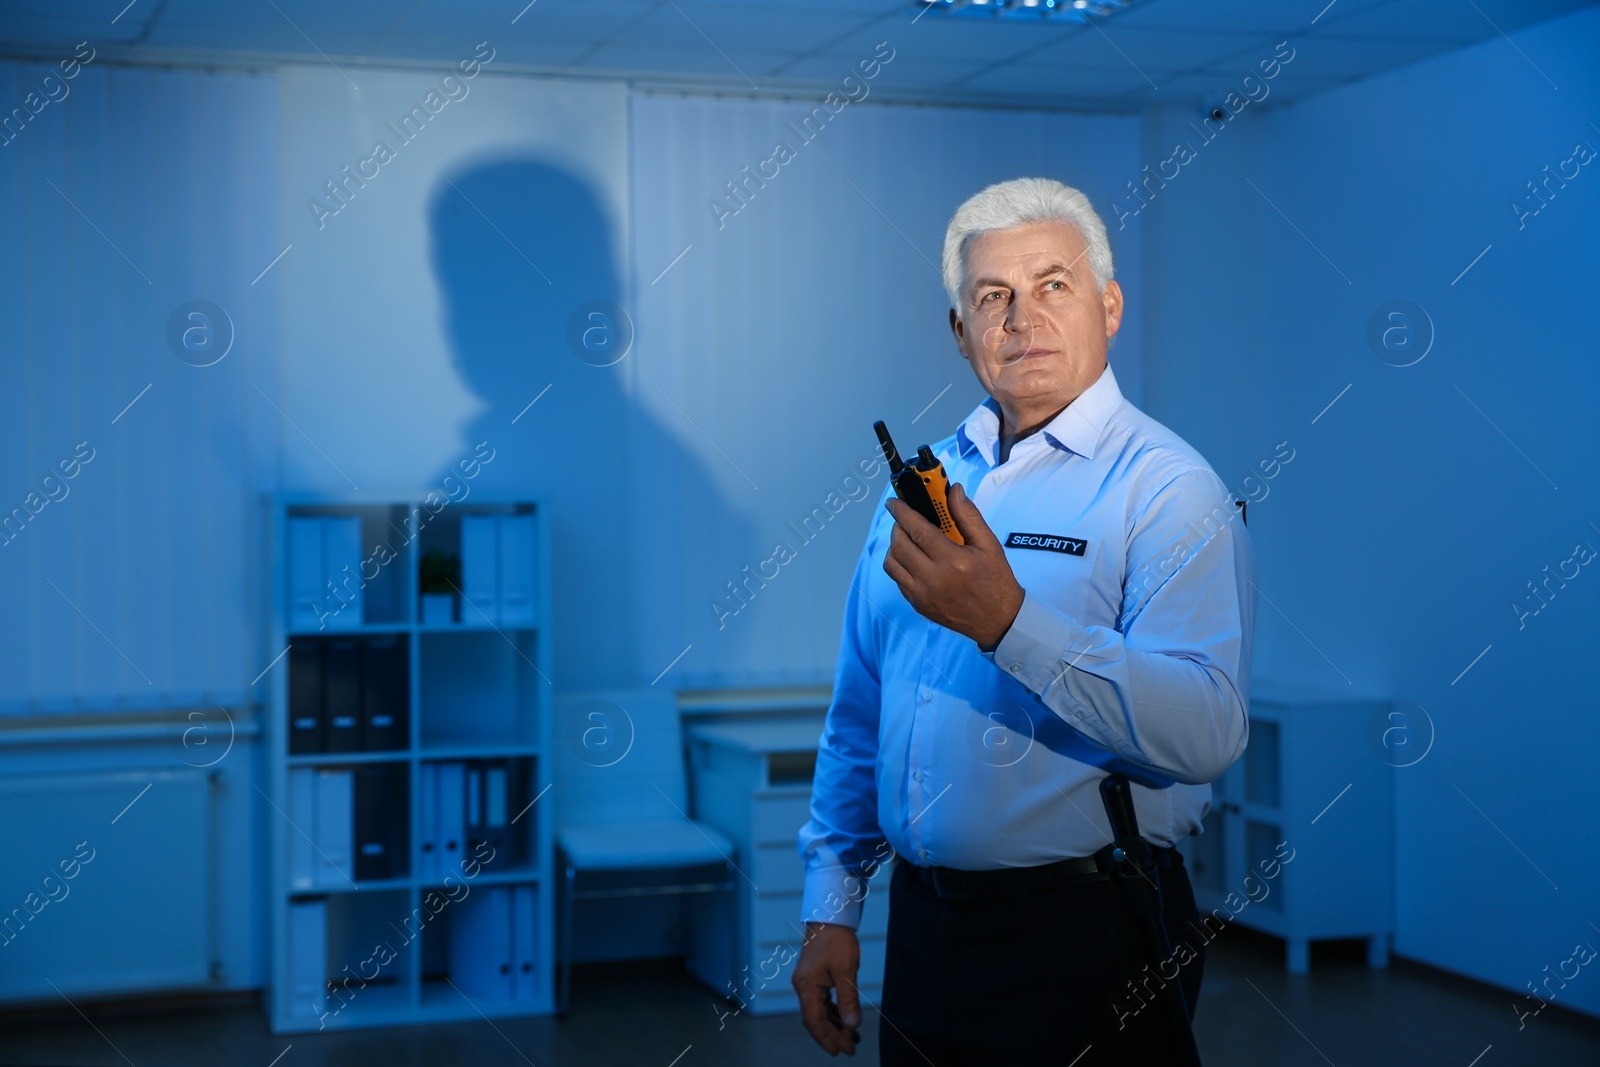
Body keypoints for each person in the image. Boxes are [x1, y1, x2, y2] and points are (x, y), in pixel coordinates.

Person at [792, 177, 1256, 1064]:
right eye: (993, 296)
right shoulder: (921, 491)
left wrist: (1008, 621)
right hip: (924, 931)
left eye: (1054, 284)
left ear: (1109, 305)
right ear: (960, 330)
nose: (1022, 318)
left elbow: (1205, 732)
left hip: (1090, 934)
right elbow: (860, 715)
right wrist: (832, 907)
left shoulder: (1165, 490)